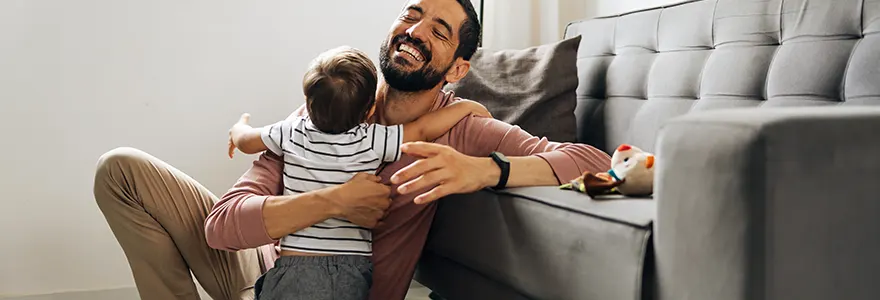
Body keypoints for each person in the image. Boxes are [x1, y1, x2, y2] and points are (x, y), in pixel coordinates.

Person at [92, 0, 612, 299]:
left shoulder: (463, 130)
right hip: (264, 266)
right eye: (411, 14)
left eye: (438, 30)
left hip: (339, 290)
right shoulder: (337, 100)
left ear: (456, 69)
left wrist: (481, 171)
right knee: (120, 170)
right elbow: (224, 224)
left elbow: (594, 162)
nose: (415, 30)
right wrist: (333, 202)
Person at [226, 45, 490, 300]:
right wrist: (464, 108)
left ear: (308, 100)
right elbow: (422, 130)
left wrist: (239, 126)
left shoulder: (290, 131)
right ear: (370, 110)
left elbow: (246, 141)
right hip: (352, 270)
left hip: (297, 263)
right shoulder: (371, 139)